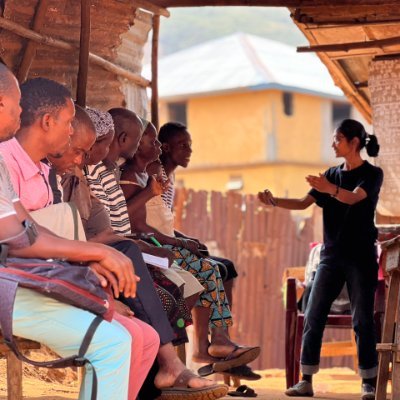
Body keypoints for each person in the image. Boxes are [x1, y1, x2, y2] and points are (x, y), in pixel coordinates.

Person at [0, 62, 138, 400]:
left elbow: (28, 229)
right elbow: (18, 241)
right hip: (9, 288)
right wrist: (97, 252)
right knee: (113, 345)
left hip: (13, 282)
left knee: (117, 341)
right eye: (16, 102)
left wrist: (94, 254)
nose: (21, 111)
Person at [78, 107, 227, 399]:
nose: (155, 147)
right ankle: (161, 374)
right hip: (102, 257)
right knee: (169, 290)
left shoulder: (107, 173)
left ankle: (172, 367)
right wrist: (142, 240)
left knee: (185, 283)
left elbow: (117, 228)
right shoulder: (105, 175)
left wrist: (148, 242)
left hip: (122, 249)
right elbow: (103, 233)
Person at [120, 121, 260, 373]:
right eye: (182, 145)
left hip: (158, 241)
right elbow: (138, 222)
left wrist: (185, 239)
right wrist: (177, 241)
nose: (189, 150)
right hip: (149, 246)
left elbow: (161, 219)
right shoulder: (143, 174)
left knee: (220, 268)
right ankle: (213, 344)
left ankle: (214, 343)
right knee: (210, 271)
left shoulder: (155, 176)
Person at [258, 119, 383, 400]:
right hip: (331, 256)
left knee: (362, 319)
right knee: (313, 315)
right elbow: (303, 203)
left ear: (354, 142)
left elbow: (353, 199)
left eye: (338, 139)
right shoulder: (330, 174)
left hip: (361, 257)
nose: (332, 144)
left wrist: (330, 190)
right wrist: (274, 201)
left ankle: (368, 383)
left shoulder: (373, 174)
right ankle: (306, 380)